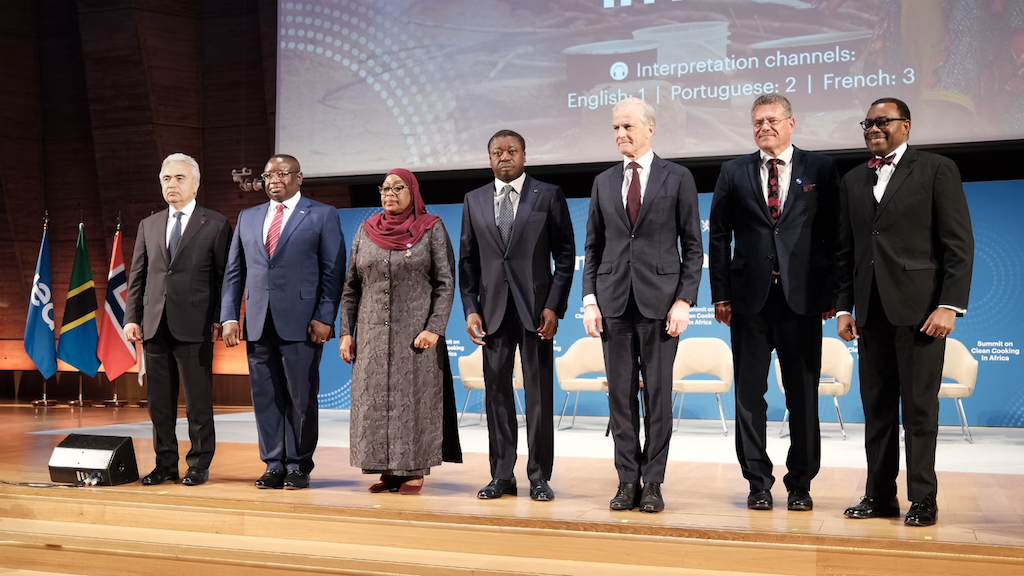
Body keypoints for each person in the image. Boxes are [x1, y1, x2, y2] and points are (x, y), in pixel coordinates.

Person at [836, 98, 974, 527]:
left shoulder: (936, 169)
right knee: (876, 410)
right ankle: (879, 495)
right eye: (868, 123)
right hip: (870, 314)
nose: (873, 128)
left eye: (882, 122)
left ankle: (923, 499)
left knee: (918, 411)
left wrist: (949, 305)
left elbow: (958, 244)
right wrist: (844, 307)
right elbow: (847, 251)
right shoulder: (854, 178)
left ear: (906, 126)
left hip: (921, 313)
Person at [709, 93, 840, 512]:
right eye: (757, 122)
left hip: (802, 300)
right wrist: (721, 294)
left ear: (791, 123)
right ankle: (758, 483)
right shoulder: (734, 171)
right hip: (749, 302)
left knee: (802, 394)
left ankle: (800, 484)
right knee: (750, 395)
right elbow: (719, 236)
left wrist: (833, 295)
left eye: (772, 120)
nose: (764, 127)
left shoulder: (820, 167)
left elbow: (835, 233)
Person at [582, 97, 703, 513]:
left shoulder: (678, 177)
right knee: (620, 398)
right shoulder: (602, 181)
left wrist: (684, 299)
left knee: (657, 396)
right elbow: (593, 247)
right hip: (613, 303)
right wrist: (589, 301)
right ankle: (626, 480)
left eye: (628, 127)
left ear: (650, 129)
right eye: (616, 128)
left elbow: (693, 245)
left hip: (661, 304)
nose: (621, 135)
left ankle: (653, 481)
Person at [459, 130, 575, 501]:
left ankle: (539, 476)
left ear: (525, 155)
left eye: (512, 151)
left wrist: (554, 305)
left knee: (539, 396)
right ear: (489, 158)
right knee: (496, 396)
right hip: (492, 313)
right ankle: (502, 475)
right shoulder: (473, 199)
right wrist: (471, 308)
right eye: (497, 152)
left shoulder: (548, 194)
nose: (504, 156)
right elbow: (468, 262)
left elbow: (566, 256)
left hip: (536, 312)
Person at [220, 154, 345, 490]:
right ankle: (274, 463)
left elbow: (333, 272)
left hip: (303, 324)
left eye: (282, 173)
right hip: (259, 322)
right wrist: (230, 316)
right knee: (266, 397)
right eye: (268, 175)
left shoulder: (322, 214)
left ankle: (299, 464)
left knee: (301, 397)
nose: (274, 180)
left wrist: (325, 316)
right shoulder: (248, 216)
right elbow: (235, 272)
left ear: (299, 177)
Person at [339, 168, 462, 494]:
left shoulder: (431, 229)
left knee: (414, 403)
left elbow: (446, 283)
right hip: (371, 338)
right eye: (385, 188)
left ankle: (413, 470)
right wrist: (346, 332)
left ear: (413, 192)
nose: (389, 194)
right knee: (376, 404)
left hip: (416, 337)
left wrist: (434, 328)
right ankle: (386, 471)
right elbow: (351, 286)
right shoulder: (366, 231)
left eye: (398, 188)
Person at [124, 152, 232, 487]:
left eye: (179, 178)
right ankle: (165, 464)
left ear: (196, 184)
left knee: (198, 404)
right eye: (167, 179)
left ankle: (199, 464)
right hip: (154, 326)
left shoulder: (214, 224)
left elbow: (223, 278)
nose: (172, 184)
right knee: (159, 405)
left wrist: (219, 318)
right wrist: (131, 318)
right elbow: (138, 277)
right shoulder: (149, 224)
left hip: (195, 327)